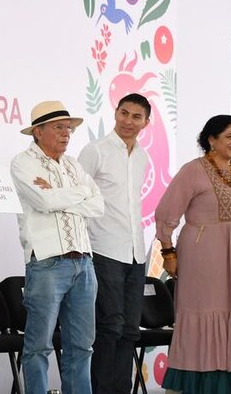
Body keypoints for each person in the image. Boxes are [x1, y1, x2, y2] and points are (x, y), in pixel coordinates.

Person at [155, 115, 231, 393]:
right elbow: (166, 213)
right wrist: (168, 251)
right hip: (204, 255)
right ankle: (196, 383)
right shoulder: (193, 170)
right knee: (204, 312)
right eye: (230, 136)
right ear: (211, 140)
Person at [11, 100, 104, 394]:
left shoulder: (74, 164)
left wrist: (62, 194)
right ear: (37, 132)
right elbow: (44, 201)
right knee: (38, 345)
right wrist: (80, 195)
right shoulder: (23, 162)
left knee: (83, 346)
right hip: (48, 262)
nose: (66, 133)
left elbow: (98, 205)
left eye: (69, 128)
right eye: (58, 127)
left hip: (84, 262)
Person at [77, 93, 151, 394]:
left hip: (135, 251)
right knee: (109, 328)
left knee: (130, 331)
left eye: (136, 116)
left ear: (146, 122)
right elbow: (78, 199)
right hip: (103, 249)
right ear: (115, 113)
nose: (128, 121)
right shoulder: (95, 151)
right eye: (124, 113)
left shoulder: (143, 155)